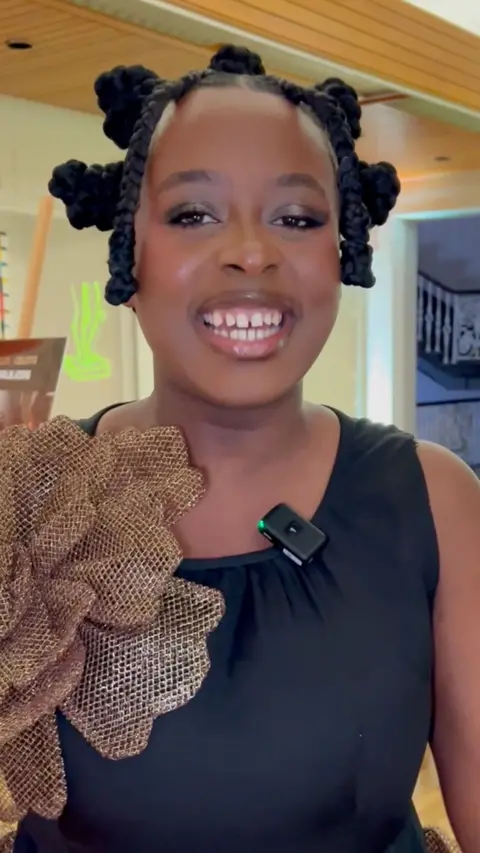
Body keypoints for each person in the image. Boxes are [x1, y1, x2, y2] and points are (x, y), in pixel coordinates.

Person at [3, 44, 479, 853]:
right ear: (130, 249)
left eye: (297, 218)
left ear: (343, 251)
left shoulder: (431, 498)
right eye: (193, 214)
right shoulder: (26, 495)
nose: (253, 252)